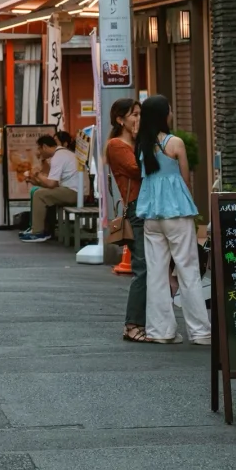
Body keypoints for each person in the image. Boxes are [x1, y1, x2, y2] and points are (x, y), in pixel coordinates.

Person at [135, 95, 211, 346]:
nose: (171, 113)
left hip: (151, 215)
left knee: (156, 273)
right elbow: (185, 178)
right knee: (188, 270)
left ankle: (160, 331)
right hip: (176, 213)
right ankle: (200, 332)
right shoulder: (175, 142)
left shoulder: (142, 143)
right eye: (169, 109)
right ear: (163, 114)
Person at [106, 98, 148, 342]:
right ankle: (132, 325)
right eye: (134, 114)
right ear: (120, 119)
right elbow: (139, 169)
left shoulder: (133, 142)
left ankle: (146, 322)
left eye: (140, 113)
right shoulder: (117, 145)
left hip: (147, 208)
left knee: (151, 268)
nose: (138, 118)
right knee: (142, 268)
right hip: (137, 209)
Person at [19, 134, 83, 242]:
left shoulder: (59, 156)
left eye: (39, 148)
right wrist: (35, 181)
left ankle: (38, 232)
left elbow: (51, 184)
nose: (39, 152)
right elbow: (51, 183)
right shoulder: (61, 154)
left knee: (40, 195)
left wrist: (37, 174)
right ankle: (45, 229)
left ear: (44, 146)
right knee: (42, 193)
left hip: (74, 193)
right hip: (73, 191)